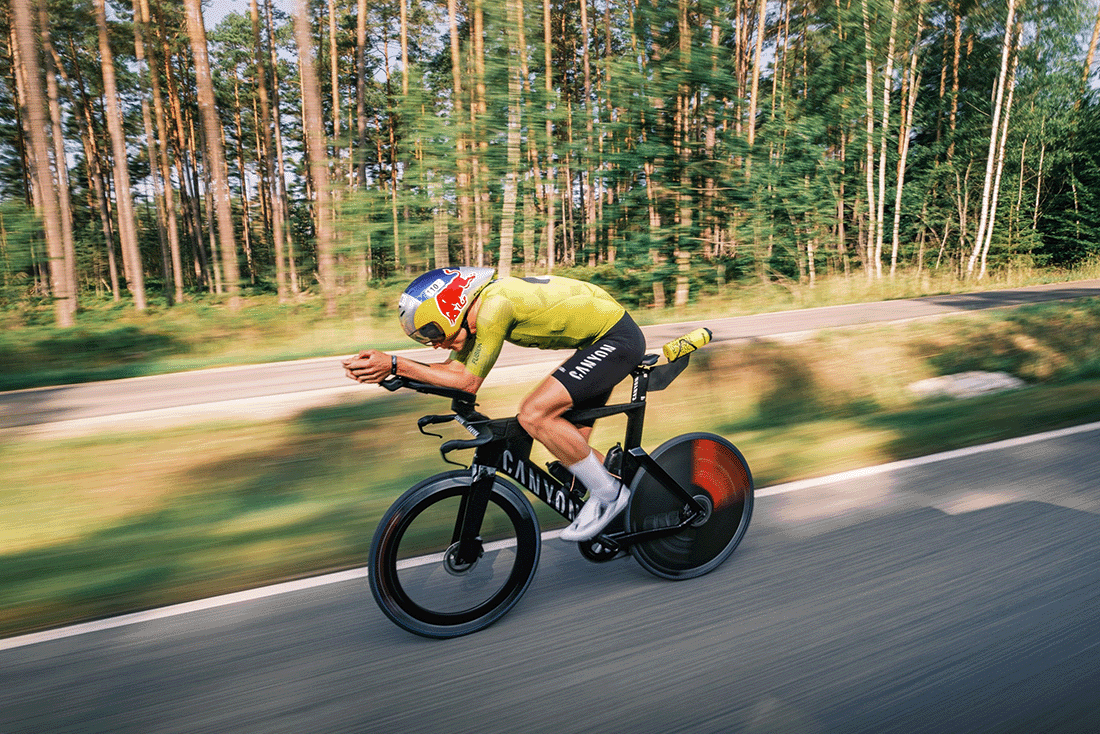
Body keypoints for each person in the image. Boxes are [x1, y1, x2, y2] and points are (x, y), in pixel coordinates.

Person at [343, 267, 646, 542]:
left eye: (432, 332)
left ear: (451, 308)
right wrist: (392, 371)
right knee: (569, 447)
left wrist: (396, 364)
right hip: (599, 341)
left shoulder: (494, 307)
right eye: (423, 339)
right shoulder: (475, 316)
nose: (433, 343)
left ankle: (610, 495)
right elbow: (452, 373)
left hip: (616, 339)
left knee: (534, 414)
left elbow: (466, 382)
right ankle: (639, 500)